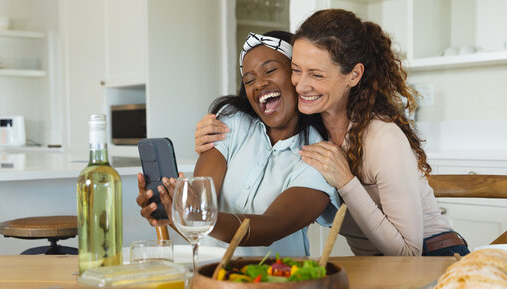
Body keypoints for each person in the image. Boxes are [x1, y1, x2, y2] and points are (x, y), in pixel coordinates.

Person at [195, 10, 470, 257]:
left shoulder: (382, 139)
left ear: (353, 75)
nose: (301, 85)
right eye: (296, 70)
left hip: (434, 257)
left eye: (316, 75)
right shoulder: (312, 130)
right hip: (373, 264)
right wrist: (208, 140)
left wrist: (346, 182)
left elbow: (407, 254)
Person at [137, 31, 340, 257]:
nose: (259, 84)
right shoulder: (232, 122)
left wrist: (198, 216)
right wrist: (171, 208)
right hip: (211, 277)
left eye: (270, 70)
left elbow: (271, 227)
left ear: (296, 75)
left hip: (279, 283)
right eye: (249, 80)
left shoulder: (321, 156)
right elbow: (197, 209)